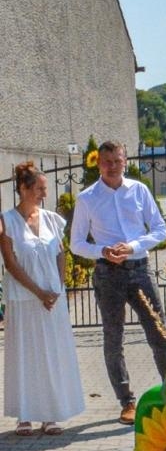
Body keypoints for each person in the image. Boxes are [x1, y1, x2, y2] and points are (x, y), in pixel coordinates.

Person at [68, 141, 166, 424]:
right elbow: (76, 243)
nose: (112, 166)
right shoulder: (88, 198)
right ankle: (126, 401)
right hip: (107, 274)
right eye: (106, 161)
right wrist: (101, 251)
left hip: (139, 268)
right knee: (113, 338)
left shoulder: (139, 190)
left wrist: (134, 245)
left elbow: (161, 229)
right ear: (98, 163)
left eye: (117, 160)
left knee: (159, 332)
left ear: (125, 161)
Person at [3, 163, 86, 435]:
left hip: (53, 299)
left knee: (53, 355)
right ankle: (24, 415)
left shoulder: (52, 219)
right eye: (39, 188)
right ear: (23, 188)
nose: (43, 193)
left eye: (45, 189)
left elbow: (61, 254)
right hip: (25, 299)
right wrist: (38, 292)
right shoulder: (7, 221)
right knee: (26, 355)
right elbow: (11, 263)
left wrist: (57, 289)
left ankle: (51, 414)